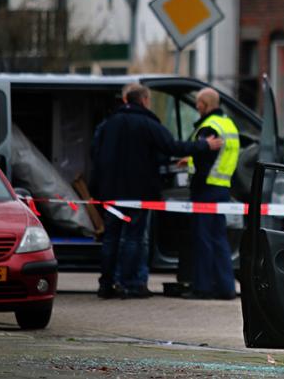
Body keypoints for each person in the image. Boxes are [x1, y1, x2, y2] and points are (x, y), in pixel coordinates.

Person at [92, 84, 223, 299]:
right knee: (133, 238)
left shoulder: (108, 124)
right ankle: (129, 285)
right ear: (144, 100)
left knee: (111, 238)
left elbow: (94, 154)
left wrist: (97, 187)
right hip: (138, 193)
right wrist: (204, 147)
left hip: (110, 192)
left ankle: (106, 284)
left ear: (127, 100)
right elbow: (172, 146)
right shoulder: (148, 123)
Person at [178, 88, 241, 300]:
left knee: (203, 239)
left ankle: (202, 288)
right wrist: (191, 160)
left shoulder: (209, 127)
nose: (196, 107)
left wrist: (193, 167)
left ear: (205, 104)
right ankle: (226, 288)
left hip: (205, 190)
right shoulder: (228, 124)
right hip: (221, 188)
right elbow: (219, 157)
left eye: (198, 103)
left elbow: (205, 158)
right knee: (218, 239)